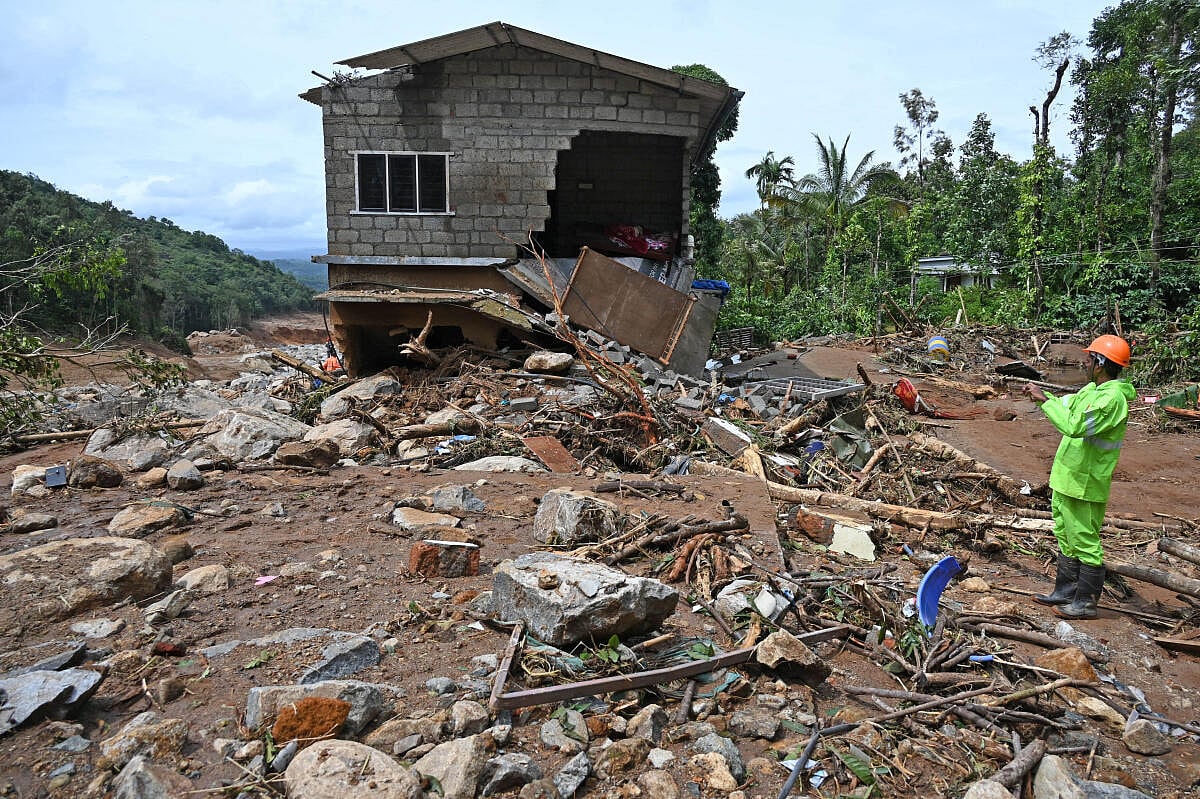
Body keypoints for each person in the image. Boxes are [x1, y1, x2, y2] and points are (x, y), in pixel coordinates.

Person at [1022, 334, 1136, 620]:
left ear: (1100, 364)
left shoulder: (1112, 400)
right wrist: (1045, 398)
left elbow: (1074, 426)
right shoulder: (1091, 391)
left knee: (1085, 540)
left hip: (1085, 483)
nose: (1084, 361)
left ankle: (1085, 602)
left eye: (1089, 358)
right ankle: (1066, 590)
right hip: (1067, 478)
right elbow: (1066, 406)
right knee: (1065, 536)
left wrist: (1043, 403)